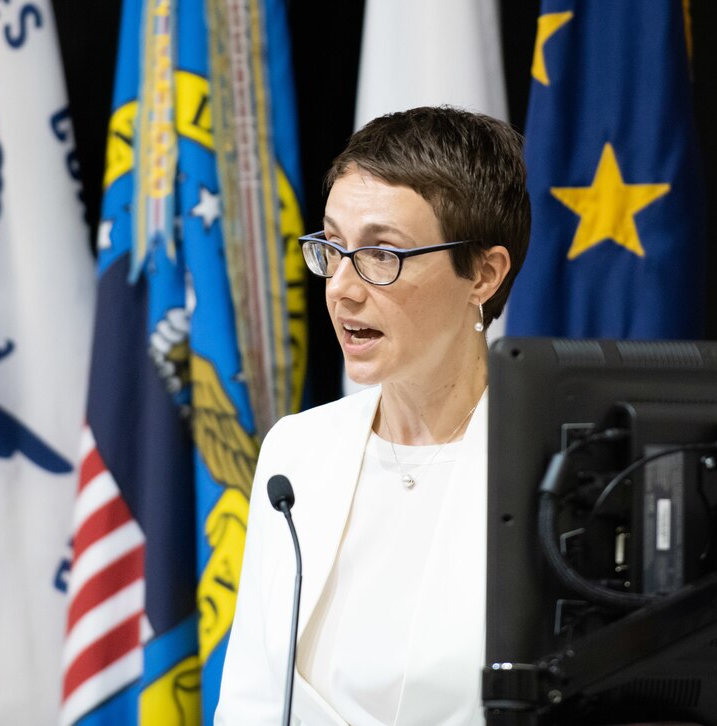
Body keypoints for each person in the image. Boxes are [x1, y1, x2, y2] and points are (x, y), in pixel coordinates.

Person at [215, 106, 530, 725]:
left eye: (383, 254)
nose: (342, 287)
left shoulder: (541, 462)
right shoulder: (296, 452)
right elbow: (250, 696)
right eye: (332, 247)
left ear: (484, 275)